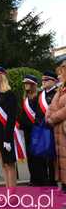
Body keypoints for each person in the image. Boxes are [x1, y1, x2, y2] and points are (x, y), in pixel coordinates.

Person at [0, 66, 19, 187]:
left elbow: (11, 118)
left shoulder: (9, 94)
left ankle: (12, 195)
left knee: (9, 164)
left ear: (1, 76)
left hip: (7, 132)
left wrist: (7, 138)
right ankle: (8, 191)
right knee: (3, 163)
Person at [18, 74, 43, 185]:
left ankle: (40, 179)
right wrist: (19, 123)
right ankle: (33, 178)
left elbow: (39, 114)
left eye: (28, 83)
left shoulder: (38, 97)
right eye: (25, 83)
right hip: (27, 131)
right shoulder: (25, 97)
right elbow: (23, 114)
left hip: (37, 130)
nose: (26, 85)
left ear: (33, 84)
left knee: (38, 156)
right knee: (30, 156)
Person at [46, 62, 66, 192]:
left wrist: (52, 118)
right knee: (61, 160)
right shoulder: (61, 89)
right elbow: (52, 106)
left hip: (63, 128)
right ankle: (64, 186)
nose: (59, 76)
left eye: (61, 73)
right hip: (58, 130)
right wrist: (49, 115)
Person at [38, 71, 59, 186]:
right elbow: (37, 112)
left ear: (54, 81)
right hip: (43, 129)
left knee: (55, 157)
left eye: (47, 80)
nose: (44, 82)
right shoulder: (40, 95)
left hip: (54, 128)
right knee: (45, 157)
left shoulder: (57, 93)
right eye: (43, 80)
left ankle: (54, 181)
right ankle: (47, 180)